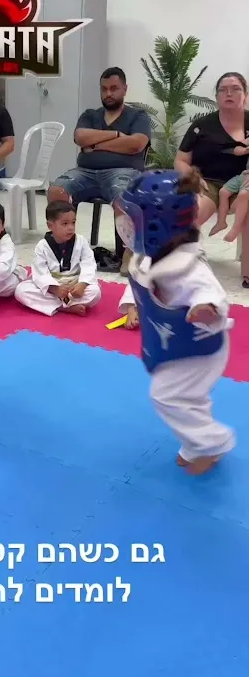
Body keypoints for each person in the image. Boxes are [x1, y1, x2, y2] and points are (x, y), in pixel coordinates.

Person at [115, 168, 235, 476]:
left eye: (132, 219)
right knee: (189, 397)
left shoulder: (189, 267)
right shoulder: (151, 259)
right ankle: (196, 446)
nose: (125, 226)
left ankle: (214, 442)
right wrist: (131, 306)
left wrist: (206, 308)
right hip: (177, 341)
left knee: (165, 395)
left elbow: (212, 294)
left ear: (157, 224)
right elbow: (141, 285)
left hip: (199, 346)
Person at [47, 67, 152, 274]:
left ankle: (129, 253)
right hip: (85, 172)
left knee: (126, 196)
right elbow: (80, 137)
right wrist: (116, 135)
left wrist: (95, 144)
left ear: (125, 89)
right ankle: (64, 250)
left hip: (123, 171)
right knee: (56, 190)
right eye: (104, 89)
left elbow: (136, 144)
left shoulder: (138, 116)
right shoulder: (90, 115)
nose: (108, 93)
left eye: (114, 88)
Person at [174, 71, 249, 283]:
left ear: (245, 95)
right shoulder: (202, 125)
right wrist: (193, 177)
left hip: (243, 183)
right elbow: (180, 160)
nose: (229, 93)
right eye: (223, 90)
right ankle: (186, 266)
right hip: (208, 183)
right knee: (192, 211)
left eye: (235, 89)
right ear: (216, 96)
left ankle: (247, 273)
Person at [15, 200, 101, 316]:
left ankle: (55, 305)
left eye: (73, 222)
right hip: (53, 286)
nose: (71, 228)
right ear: (50, 226)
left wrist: (83, 284)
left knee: (95, 292)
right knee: (21, 290)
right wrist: (54, 289)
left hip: (74, 284)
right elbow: (40, 272)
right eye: (65, 224)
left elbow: (89, 263)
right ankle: (65, 307)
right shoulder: (42, 246)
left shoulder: (81, 241)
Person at [209, 168, 249, 242]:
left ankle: (236, 229)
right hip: (244, 175)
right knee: (223, 192)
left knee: (243, 195)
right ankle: (221, 222)